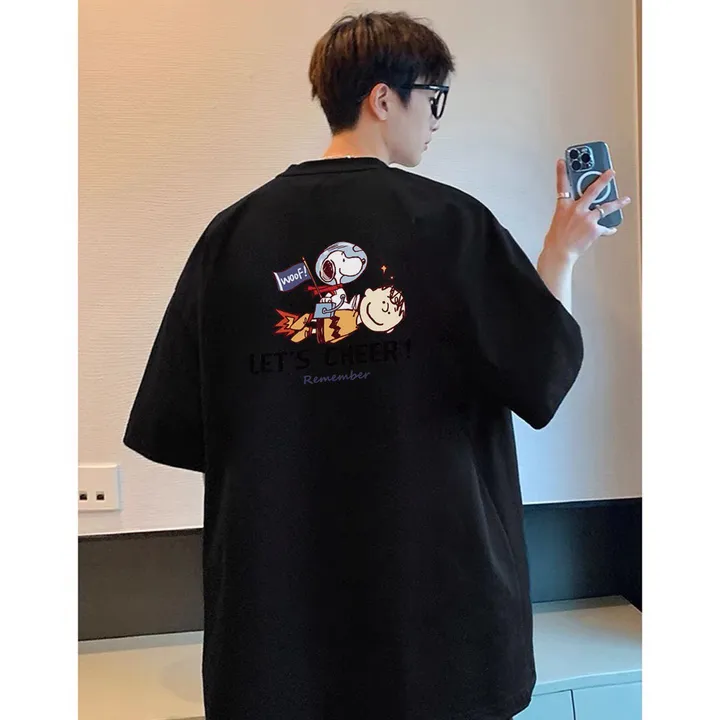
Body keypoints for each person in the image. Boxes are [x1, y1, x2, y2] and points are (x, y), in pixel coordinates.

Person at [123, 10, 632, 720]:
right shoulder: (453, 223)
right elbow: (539, 368)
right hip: (440, 622)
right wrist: (562, 254)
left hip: (280, 634)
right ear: (382, 98)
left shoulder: (230, 238)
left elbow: (177, 427)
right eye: (433, 97)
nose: (436, 119)